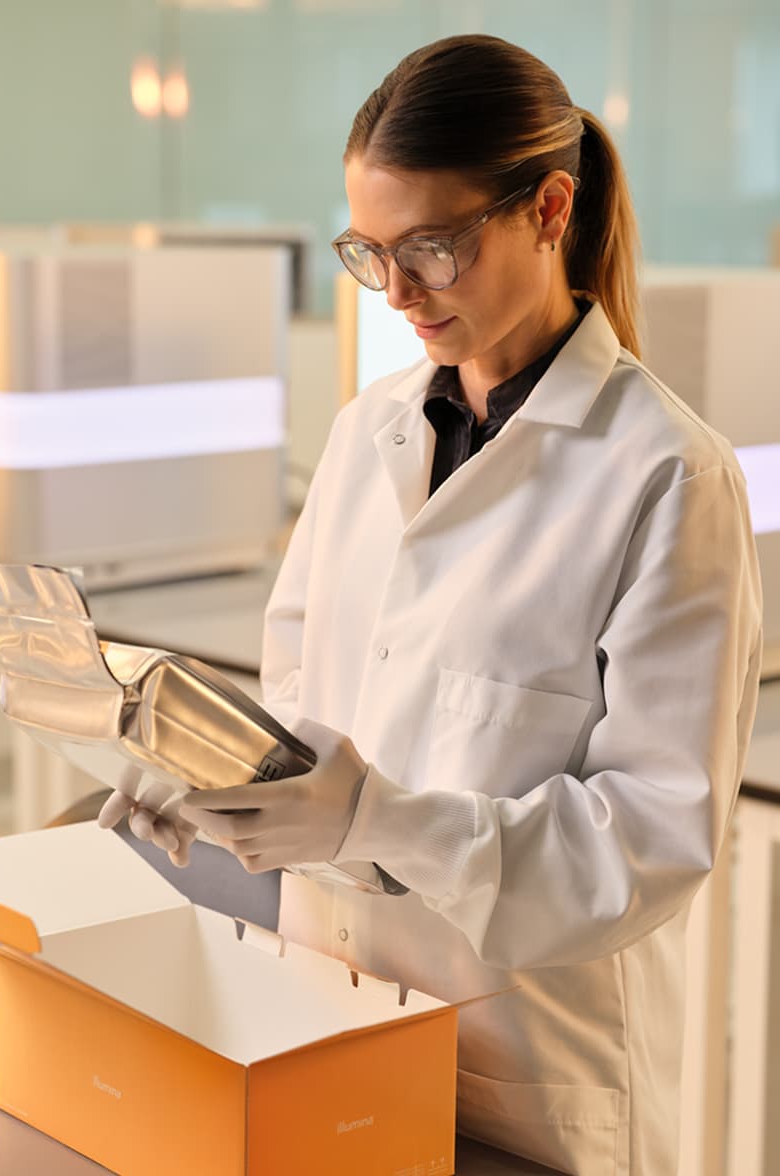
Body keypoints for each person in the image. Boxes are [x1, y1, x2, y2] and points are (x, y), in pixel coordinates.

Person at [99, 33, 762, 1176]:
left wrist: (383, 823)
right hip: (320, 1020)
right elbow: (300, 700)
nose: (399, 292)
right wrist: (209, 776)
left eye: (435, 249)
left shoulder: (668, 474)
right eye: (371, 251)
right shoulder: (371, 433)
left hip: (521, 1073)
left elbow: (650, 845)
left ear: (550, 210)